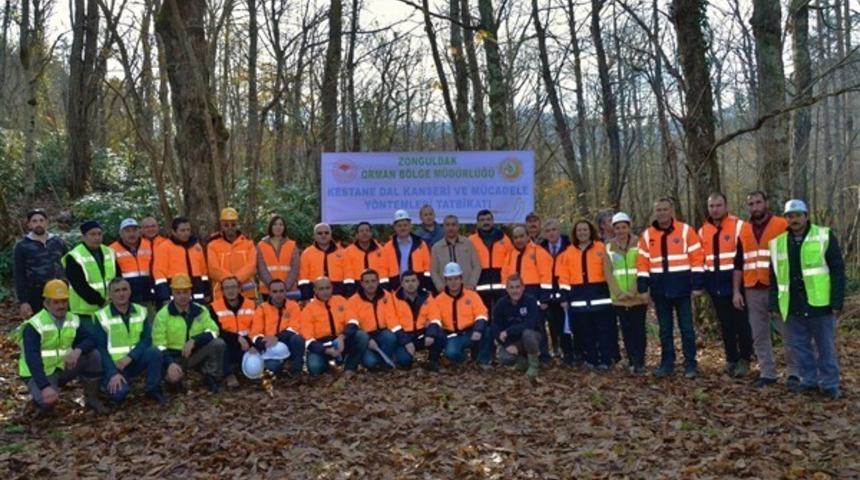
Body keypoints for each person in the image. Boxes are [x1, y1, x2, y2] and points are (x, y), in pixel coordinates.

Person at [769, 200, 845, 400]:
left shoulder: (824, 235)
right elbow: (774, 276)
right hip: (792, 303)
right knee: (800, 346)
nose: (794, 219)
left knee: (825, 346)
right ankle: (809, 381)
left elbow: (837, 270)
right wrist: (773, 303)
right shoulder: (778, 243)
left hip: (820, 302)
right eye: (790, 216)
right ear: (786, 218)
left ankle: (830, 384)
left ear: (806, 216)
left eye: (798, 215)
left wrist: (837, 301)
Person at [733, 191, 797, 388]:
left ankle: (795, 373)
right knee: (759, 333)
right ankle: (768, 372)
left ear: (766, 203)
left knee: (788, 331)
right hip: (752, 287)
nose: (755, 207)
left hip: (779, 287)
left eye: (758, 202)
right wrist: (736, 291)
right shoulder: (743, 229)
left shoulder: (781, 225)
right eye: (751, 204)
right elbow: (738, 263)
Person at [637, 197, 704, 379]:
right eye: (658, 210)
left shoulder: (685, 231)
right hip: (660, 290)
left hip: (682, 289)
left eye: (665, 209)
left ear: (671, 210)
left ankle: (690, 364)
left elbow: (697, 258)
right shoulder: (648, 235)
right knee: (665, 330)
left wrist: (697, 285)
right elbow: (642, 264)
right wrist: (643, 289)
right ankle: (667, 363)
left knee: (687, 329)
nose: (662, 213)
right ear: (655, 212)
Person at [17, 279, 105, 415]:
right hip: (39, 373)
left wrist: (77, 351)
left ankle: (92, 399)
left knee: (93, 356)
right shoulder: (34, 325)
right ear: (46, 303)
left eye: (64, 301)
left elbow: (91, 339)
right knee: (48, 401)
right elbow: (32, 359)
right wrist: (44, 386)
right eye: (56, 302)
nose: (61, 306)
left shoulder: (72, 319)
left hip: (62, 366)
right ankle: (37, 402)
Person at [699, 193, 753, 378]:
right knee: (725, 325)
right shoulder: (703, 230)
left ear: (726, 205)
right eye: (712, 206)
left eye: (719, 205)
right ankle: (731, 359)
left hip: (738, 283)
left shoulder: (739, 226)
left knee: (742, 323)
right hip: (715, 284)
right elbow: (701, 259)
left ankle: (745, 359)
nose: (715, 209)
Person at [95, 278, 166, 405]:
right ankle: (106, 386)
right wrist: (112, 373)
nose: (121, 294)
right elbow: (101, 349)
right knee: (119, 395)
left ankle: (153, 389)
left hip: (134, 360)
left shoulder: (141, 311)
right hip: (114, 365)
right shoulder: (101, 316)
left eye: (124, 289)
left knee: (154, 352)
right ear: (110, 295)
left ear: (130, 291)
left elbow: (146, 339)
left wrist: (130, 357)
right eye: (116, 291)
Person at [152, 274, 225, 393]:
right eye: (178, 292)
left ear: (190, 292)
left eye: (185, 292)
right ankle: (175, 377)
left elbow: (214, 331)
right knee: (173, 380)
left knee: (218, 343)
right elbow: (158, 345)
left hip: (195, 354)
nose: (182, 296)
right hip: (173, 357)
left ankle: (211, 376)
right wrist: (170, 363)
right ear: (173, 293)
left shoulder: (200, 310)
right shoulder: (162, 315)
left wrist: (195, 340)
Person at [557, 220, 615, 369]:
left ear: (590, 231)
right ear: (575, 234)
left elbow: (611, 271)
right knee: (585, 332)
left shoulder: (602, 248)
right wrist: (563, 297)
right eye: (579, 230)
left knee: (603, 331)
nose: (582, 233)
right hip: (578, 299)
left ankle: (606, 360)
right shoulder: (568, 253)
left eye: (585, 230)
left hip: (601, 297)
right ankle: (591, 359)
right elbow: (563, 277)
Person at [500, 225, 553, 361]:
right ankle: (523, 355)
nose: (519, 240)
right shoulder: (510, 255)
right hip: (515, 298)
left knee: (538, 327)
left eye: (521, 236)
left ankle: (543, 356)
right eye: (516, 237)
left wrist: (544, 299)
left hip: (535, 299)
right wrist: (505, 296)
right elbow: (505, 276)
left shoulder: (539, 252)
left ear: (528, 236)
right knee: (519, 327)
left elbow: (546, 276)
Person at [604, 212, 648, 374]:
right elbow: (608, 272)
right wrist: (619, 292)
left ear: (629, 227)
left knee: (639, 330)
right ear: (613, 229)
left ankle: (640, 362)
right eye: (617, 228)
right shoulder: (609, 247)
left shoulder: (640, 243)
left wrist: (633, 290)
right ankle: (631, 360)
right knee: (626, 331)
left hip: (637, 296)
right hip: (619, 299)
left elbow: (643, 268)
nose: (621, 230)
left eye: (624, 227)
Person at [298, 277, 369, 377]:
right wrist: (326, 350)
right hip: (322, 346)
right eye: (321, 289)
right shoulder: (308, 310)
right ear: (315, 290)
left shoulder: (341, 300)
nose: (325, 292)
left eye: (327, 288)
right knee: (315, 367)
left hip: (342, 342)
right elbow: (308, 339)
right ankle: (329, 367)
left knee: (362, 336)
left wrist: (342, 337)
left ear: (332, 288)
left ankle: (350, 367)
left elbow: (353, 321)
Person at [14, 208, 68, 319]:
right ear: (29, 224)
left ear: (47, 222)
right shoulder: (22, 246)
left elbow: (68, 265)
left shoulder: (58, 242)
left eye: (41, 220)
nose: (38, 224)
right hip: (36, 295)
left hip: (60, 292)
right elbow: (19, 274)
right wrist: (23, 301)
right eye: (34, 221)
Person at [434, 262, 490, 365]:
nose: (453, 282)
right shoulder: (438, 300)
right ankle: (463, 360)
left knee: (487, 332)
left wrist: (478, 329)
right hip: (453, 335)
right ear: (445, 280)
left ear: (461, 279)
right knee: (452, 353)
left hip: (471, 332)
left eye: (456, 278)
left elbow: (482, 314)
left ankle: (482, 361)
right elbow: (435, 320)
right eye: (450, 279)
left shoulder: (472, 295)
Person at [390, 270, 445, 370]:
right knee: (404, 361)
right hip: (404, 336)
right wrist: (406, 341)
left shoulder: (427, 296)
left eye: (413, 281)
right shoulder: (393, 300)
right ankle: (403, 359)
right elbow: (392, 323)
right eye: (407, 281)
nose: (410, 284)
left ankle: (433, 360)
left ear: (418, 282)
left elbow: (435, 317)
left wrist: (430, 334)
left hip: (421, 334)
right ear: (402, 283)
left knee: (439, 334)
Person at [62, 221, 117, 321]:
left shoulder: (109, 252)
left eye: (99, 234)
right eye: (92, 234)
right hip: (84, 311)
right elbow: (79, 285)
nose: (97, 237)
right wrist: (101, 301)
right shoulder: (74, 256)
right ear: (83, 237)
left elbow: (117, 277)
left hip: (109, 308)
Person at [249, 279, 305, 376]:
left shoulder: (293, 306)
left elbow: (295, 327)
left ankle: (296, 370)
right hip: (271, 347)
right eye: (275, 291)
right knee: (273, 367)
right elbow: (255, 333)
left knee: (298, 339)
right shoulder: (262, 308)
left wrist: (277, 337)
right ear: (269, 293)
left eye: (281, 291)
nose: (278, 294)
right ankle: (282, 367)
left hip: (288, 342)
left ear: (285, 292)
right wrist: (262, 343)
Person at [346, 269, 399, 370]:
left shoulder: (387, 296)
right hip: (365, 337)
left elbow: (392, 319)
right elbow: (353, 324)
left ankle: (384, 361)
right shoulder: (353, 301)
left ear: (378, 281)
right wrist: (368, 339)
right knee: (370, 363)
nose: (370, 284)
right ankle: (374, 361)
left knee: (390, 337)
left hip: (382, 333)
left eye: (373, 281)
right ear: (361, 283)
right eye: (367, 282)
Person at [209, 277, 256, 387]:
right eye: (227, 288)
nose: (231, 291)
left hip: (248, 345)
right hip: (227, 344)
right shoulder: (214, 307)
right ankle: (228, 375)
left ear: (239, 288)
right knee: (220, 345)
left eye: (233, 287)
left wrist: (252, 344)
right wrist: (236, 338)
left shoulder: (251, 304)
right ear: (222, 291)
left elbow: (257, 327)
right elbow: (217, 331)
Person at [153, 217, 211, 305]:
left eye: (188, 230)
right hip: (176, 295)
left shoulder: (196, 247)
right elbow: (159, 274)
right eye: (182, 230)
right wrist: (165, 296)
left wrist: (207, 291)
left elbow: (203, 272)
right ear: (173, 232)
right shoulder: (164, 248)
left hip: (197, 294)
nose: (186, 233)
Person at [493, 274, 541, 378]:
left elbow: (530, 324)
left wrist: (509, 331)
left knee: (528, 334)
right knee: (504, 358)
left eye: (517, 287)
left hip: (531, 337)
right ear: (507, 289)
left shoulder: (531, 301)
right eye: (511, 287)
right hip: (512, 341)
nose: (515, 291)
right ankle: (524, 362)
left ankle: (534, 366)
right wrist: (507, 345)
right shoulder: (501, 304)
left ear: (523, 287)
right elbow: (496, 327)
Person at [539, 219, 573, 361]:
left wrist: (566, 295)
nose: (551, 233)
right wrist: (543, 296)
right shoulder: (540, 248)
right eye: (547, 231)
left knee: (566, 325)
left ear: (559, 231)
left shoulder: (569, 246)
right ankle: (555, 350)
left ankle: (569, 354)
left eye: (553, 230)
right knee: (552, 325)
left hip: (565, 292)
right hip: (548, 293)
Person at [110, 218, 157, 320]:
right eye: (127, 231)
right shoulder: (112, 249)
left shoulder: (149, 245)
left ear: (139, 231)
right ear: (121, 233)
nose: (131, 234)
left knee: (149, 326)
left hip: (147, 296)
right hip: (125, 298)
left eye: (134, 230)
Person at [207, 207, 257, 300]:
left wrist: (236, 279)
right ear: (221, 225)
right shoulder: (213, 245)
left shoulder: (248, 243)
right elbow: (213, 269)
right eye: (226, 225)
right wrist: (231, 283)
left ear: (237, 224)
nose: (230, 227)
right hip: (221, 293)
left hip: (246, 292)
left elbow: (252, 266)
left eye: (233, 224)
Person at [469, 209, 513, 313]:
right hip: (480, 284)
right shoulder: (471, 240)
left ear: (493, 221)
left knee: (501, 314)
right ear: (478, 223)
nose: (486, 222)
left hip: (500, 284)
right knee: (482, 314)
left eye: (488, 219)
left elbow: (512, 261)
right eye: (482, 220)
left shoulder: (504, 239)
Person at [383, 210, 433, 292]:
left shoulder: (421, 244)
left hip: (418, 289)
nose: (403, 228)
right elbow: (384, 271)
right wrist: (386, 290)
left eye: (405, 225)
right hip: (395, 289)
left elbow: (427, 268)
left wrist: (425, 287)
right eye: (399, 226)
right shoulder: (387, 247)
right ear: (395, 227)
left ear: (410, 226)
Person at [430, 214, 481, 292]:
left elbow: (477, 266)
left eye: (453, 225)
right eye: (447, 225)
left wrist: (472, 283)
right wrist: (440, 286)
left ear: (458, 226)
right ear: (443, 227)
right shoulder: (436, 247)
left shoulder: (468, 243)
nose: (450, 228)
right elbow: (433, 271)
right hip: (445, 292)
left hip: (467, 290)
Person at [298, 223, 346, 300]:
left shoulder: (343, 252)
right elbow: (303, 279)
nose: (323, 235)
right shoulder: (307, 253)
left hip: (339, 292)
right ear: (314, 236)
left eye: (326, 233)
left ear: (331, 235)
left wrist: (348, 295)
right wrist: (306, 298)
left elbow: (348, 276)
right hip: (315, 293)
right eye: (320, 233)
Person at [256, 215, 300, 300]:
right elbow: (261, 269)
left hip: (289, 289)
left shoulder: (292, 245)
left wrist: (285, 287)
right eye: (275, 224)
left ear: (284, 227)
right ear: (270, 226)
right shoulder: (261, 245)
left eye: (281, 224)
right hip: (267, 289)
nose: (278, 227)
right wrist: (273, 287)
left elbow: (295, 268)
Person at [343, 222, 388, 296]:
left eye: (367, 231)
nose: (364, 233)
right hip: (356, 287)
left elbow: (384, 271)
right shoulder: (348, 251)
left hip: (377, 286)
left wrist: (384, 288)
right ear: (357, 235)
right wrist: (349, 291)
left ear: (371, 233)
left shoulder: (381, 250)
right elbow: (348, 273)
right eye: (361, 231)